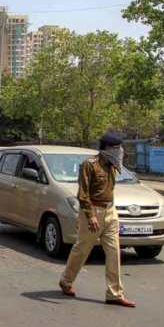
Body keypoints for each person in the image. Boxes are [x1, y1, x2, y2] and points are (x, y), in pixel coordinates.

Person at [59, 132, 136, 307]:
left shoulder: (113, 164)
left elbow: (125, 159)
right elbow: (83, 194)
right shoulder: (89, 165)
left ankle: (114, 293)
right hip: (93, 211)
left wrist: (120, 155)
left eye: (120, 148)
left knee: (114, 252)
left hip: (110, 211)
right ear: (106, 149)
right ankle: (66, 280)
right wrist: (90, 215)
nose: (120, 151)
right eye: (116, 148)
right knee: (82, 249)